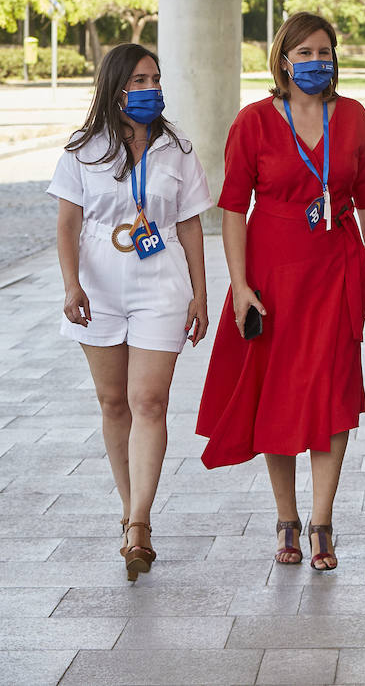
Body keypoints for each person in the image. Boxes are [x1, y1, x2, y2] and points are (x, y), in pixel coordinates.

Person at [196, 11, 365, 569]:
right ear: (283, 59)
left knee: (330, 391)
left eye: (324, 51)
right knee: (276, 394)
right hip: (271, 274)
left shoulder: (352, 117)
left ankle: (323, 521)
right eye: (303, 52)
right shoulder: (253, 121)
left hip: (335, 269)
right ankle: (287, 519)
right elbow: (232, 207)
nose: (315, 61)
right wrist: (239, 286)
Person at [49, 44, 213, 581]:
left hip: (159, 279)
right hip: (98, 281)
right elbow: (68, 224)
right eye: (140, 80)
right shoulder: (82, 149)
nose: (151, 90)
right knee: (113, 401)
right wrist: (71, 285)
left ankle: (140, 521)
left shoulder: (178, 148)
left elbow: (190, 223)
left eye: (156, 80)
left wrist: (201, 293)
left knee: (149, 399)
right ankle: (128, 508)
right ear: (115, 86)